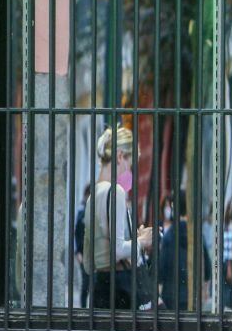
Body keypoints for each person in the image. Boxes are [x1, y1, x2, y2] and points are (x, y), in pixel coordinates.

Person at [82, 126, 154, 309]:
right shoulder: (116, 192)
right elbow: (118, 250)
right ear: (120, 156)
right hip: (120, 290)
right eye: (130, 165)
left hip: (99, 289)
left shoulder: (93, 195)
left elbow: (88, 263)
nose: (130, 172)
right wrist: (142, 241)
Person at [158, 189, 211, 311]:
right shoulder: (197, 235)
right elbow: (207, 268)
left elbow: (161, 271)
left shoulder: (168, 236)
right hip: (192, 296)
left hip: (170, 297)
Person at [73, 184, 91, 306]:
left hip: (94, 253)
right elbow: (74, 233)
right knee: (85, 284)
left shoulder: (95, 212)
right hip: (83, 254)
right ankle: (84, 309)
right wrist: (77, 252)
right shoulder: (81, 213)